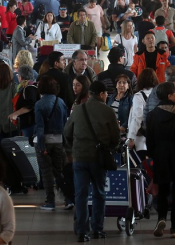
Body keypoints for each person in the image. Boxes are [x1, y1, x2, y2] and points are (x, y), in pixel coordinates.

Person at [64, 81, 120, 242]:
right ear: (102, 94)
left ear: (89, 94)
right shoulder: (108, 111)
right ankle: (97, 229)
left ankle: (82, 232)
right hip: (98, 159)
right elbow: (115, 137)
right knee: (99, 193)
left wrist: (74, 147)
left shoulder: (78, 110)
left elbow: (67, 132)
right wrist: (110, 147)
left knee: (81, 195)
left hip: (79, 158)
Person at [146, 82, 175, 239]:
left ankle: (161, 219)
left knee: (163, 191)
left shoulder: (152, 115)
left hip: (160, 154)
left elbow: (149, 140)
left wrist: (154, 154)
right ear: (170, 96)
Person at [34, 76, 68, 211]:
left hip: (44, 142)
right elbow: (65, 124)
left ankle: (50, 201)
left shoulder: (39, 104)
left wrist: (42, 147)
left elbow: (40, 128)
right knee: (60, 171)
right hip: (59, 141)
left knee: (47, 173)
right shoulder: (61, 102)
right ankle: (68, 198)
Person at [127, 68, 159, 152]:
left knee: (144, 162)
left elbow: (137, 117)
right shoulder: (159, 94)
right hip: (157, 135)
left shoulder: (139, 96)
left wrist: (131, 137)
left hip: (142, 137)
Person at [8, 65, 39, 138]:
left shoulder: (29, 88)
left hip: (30, 124)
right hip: (28, 123)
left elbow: (30, 105)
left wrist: (15, 114)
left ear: (21, 76)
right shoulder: (28, 86)